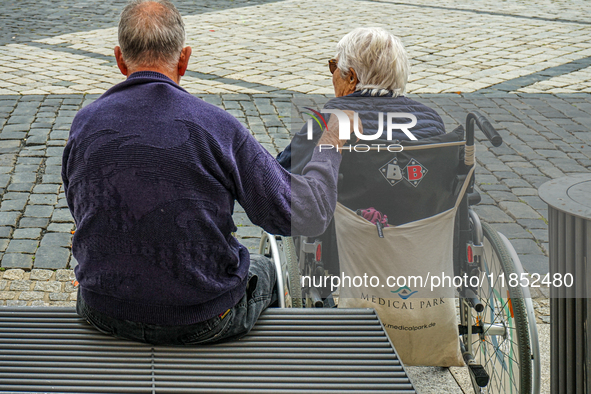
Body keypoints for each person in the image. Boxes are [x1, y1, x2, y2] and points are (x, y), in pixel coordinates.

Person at [61, 0, 349, 345]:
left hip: (102, 310)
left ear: (120, 60)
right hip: (202, 319)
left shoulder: (84, 124)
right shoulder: (217, 128)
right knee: (274, 269)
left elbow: (82, 205)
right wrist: (330, 144)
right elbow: (305, 216)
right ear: (184, 58)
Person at [277, 27, 446, 174]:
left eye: (334, 66)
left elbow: (280, 174)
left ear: (351, 77)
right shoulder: (432, 122)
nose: (332, 73)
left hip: (348, 212)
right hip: (421, 211)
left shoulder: (330, 120)